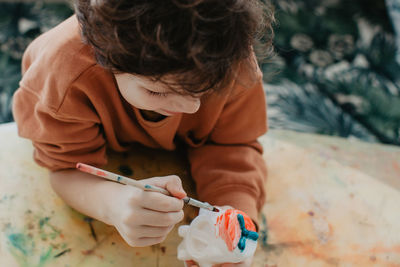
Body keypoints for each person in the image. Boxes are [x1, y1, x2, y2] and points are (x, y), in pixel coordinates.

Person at [12, 0, 274, 266]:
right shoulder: (62, 77)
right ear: (105, 58)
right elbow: (67, 169)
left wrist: (234, 217)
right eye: (159, 91)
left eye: (205, 89)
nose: (191, 107)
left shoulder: (230, 55)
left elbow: (232, 145)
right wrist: (111, 203)